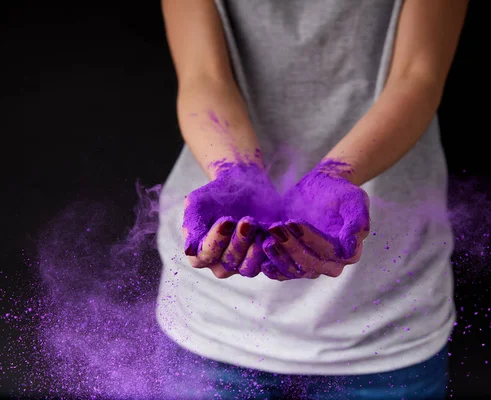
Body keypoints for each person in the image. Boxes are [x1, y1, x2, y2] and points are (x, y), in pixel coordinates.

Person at [156, 0, 469, 398]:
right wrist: (236, 176)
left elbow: (417, 77)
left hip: (383, 317)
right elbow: (204, 77)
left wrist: (336, 175)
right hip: (214, 320)